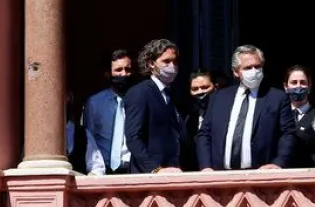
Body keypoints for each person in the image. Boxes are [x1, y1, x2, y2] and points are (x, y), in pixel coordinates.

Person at [196, 45, 296, 170]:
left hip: (262, 175)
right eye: (248, 68)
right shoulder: (219, 98)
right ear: (236, 71)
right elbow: (205, 134)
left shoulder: (277, 98)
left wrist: (278, 163)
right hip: (221, 176)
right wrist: (206, 167)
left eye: (258, 66)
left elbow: (288, 134)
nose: (254, 71)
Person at [123, 39, 183, 174]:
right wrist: (155, 169)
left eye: (175, 61)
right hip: (148, 176)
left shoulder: (172, 95)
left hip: (173, 173)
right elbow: (133, 137)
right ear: (151, 63)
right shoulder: (140, 93)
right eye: (166, 61)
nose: (172, 66)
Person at [82, 49, 136, 175]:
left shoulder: (139, 101)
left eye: (127, 70)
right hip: (103, 171)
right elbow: (89, 137)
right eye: (118, 70)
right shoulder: (95, 103)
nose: (123, 74)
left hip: (133, 170)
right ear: (108, 74)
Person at [283, 65, 315, 167]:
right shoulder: (279, 116)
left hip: (313, 176)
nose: (298, 86)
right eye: (294, 82)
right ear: (286, 87)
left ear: (309, 86)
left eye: (303, 82)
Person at [180, 70, 216, 171]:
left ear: (215, 86)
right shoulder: (189, 117)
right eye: (195, 89)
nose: (200, 92)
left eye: (205, 87)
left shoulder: (226, 112)